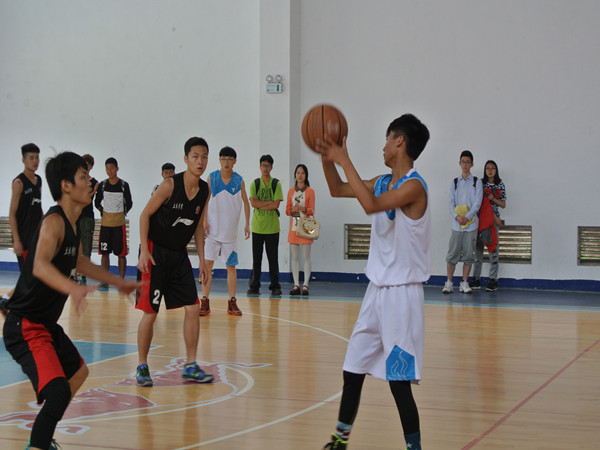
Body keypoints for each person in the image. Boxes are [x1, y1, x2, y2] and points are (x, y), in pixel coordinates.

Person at [3, 152, 138, 450]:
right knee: (58, 392)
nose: (90, 182)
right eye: (83, 177)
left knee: (78, 373)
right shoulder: (54, 222)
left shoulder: (73, 223)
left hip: (45, 325)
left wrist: (119, 282)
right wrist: (72, 289)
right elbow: (39, 265)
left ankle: (42, 437)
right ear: (66, 186)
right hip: (26, 326)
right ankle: (38, 444)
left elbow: (79, 261)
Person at [316, 114, 430, 450]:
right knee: (352, 369)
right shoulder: (381, 181)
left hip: (402, 295)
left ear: (399, 141)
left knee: (398, 382)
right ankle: (339, 440)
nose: (383, 146)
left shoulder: (414, 187)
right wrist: (327, 157)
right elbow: (337, 189)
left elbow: (372, 206)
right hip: (376, 292)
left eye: (387, 139)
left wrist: (344, 157)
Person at [135, 137, 213, 387]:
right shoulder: (169, 185)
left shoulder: (205, 190)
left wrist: (202, 261)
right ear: (185, 159)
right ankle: (142, 366)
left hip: (179, 254)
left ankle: (190, 366)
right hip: (154, 252)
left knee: (193, 308)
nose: (200, 161)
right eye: (195, 157)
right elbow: (144, 215)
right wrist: (144, 252)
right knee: (150, 313)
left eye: (204, 157)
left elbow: (198, 227)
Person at [200, 146, 250, 316]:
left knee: (231, 267)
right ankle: (204, 301)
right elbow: (205, 200)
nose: (226, 162)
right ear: (219, 160)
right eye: (224, 158)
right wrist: (204, 221)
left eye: (230, 159)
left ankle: (232, 301)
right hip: (212, 232)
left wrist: (247, 224)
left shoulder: (239, 180)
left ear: (234, 161)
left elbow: (246, 202)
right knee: (207, 266)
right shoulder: (212, 177)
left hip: (230, 234)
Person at [442, 150, 483, 294]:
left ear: (472, 164)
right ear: (459, 163)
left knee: (468, 256)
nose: (465, 164)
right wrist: (456, 217)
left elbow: (477, 202)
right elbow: (450, 203)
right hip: (457, 225)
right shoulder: (454, 182)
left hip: (471, 225)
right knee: (452, 254)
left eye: (468, 162)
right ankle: (449, 282)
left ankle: (464, 282)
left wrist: (468, 216)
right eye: (463, 162)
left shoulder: (477, 182)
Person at [247, 154, 283, 296]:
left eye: (268, 165)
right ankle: (254, 285)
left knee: (273, 259)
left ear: (271, 167)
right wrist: (269, 202)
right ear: (260, 166)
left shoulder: (276, 184)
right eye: (263, 165)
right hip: (257, 227)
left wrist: (260, 203)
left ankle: (275, 285)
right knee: (256, 259)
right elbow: (253, 203)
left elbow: (276, 204)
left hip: (272, 227)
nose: (265, 168)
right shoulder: (255, 184)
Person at [94, 157, 133, 285]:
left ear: (117, 168)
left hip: (119, 225)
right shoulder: (103, 185)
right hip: (105, 225)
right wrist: (103, 211)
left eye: (111, 168)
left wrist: (123, 213)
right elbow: (96, 202)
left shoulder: (124, 185)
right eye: (107, 168)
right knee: (104, 253)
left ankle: (121, 280)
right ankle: (105, 279)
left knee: (121, 254)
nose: (109, 171)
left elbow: (129, 202)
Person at [470, 160, 506, 292]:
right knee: (478, 251)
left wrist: (493, 198)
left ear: (496, 170)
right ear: (485, 170)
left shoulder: (500, 185)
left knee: (493, 251)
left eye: (493, 168)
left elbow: (503, 204)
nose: (490, 171)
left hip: (493, 223)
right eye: (488, 168)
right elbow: (477, 202)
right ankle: (476, 279)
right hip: (480, 221)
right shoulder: (480, 183)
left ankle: (493, 280)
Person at [9, 143, 43, 270]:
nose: (35, 161)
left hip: (36, 236)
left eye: (37, 157)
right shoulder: (19, 182)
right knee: (27, 275)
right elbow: (12, 214)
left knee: (38, 274)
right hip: (24, 237)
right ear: (24, 160)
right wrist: (17, 240)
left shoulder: (38, 180)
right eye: (31, 158)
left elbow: (38, 206)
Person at [285, 164, 315, 296]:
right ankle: (296, 284)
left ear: (306, 175)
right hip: (294, 225)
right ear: (295, 175)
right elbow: (287, 210)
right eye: (298, 173)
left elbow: (312, 210)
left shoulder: (310, 191)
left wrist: (303, 209)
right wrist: (293, 210)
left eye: (302, 173)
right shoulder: (291, 191)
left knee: (306, 256)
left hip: (306, 225)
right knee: (295, 257)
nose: (300, 175)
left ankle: (306, 285)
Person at [77, 154, 99, 284]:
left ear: (91, 167)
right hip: (76, 216)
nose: (86, 166)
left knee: (86, 246)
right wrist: (93, 191)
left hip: (87, 217)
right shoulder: (76, 180)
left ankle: (83, 275)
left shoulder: (95, 182)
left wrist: (94, 191)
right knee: (75, 245)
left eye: (88, 164)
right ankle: (74, 273)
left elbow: (87, 199)